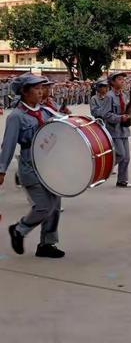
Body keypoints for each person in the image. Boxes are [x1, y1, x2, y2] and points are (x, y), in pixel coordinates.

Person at [0, 73, 65, 258]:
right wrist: (2, 169)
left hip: (49, 165)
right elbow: (8, 144)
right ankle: (19, 230)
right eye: (36, 88)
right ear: (25, 92)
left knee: (56, 204)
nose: (41, 91)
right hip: (30, 166)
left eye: (42, 88)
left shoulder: (46, 111)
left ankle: (47, 244)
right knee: (43, 206)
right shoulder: (17, 116)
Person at [101, 71, 131, 188]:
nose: (122, 81)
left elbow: (127, 109)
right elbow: (106, 114)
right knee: (120, 154)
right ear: (112, 82)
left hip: (124, 130)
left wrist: (129, 116)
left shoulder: (124, 95)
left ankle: (122, 180)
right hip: (114, 130)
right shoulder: (109, 96)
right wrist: (119, 118)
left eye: (123, 79)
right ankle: (102, 170)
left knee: (126, 157)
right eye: (119, 79)